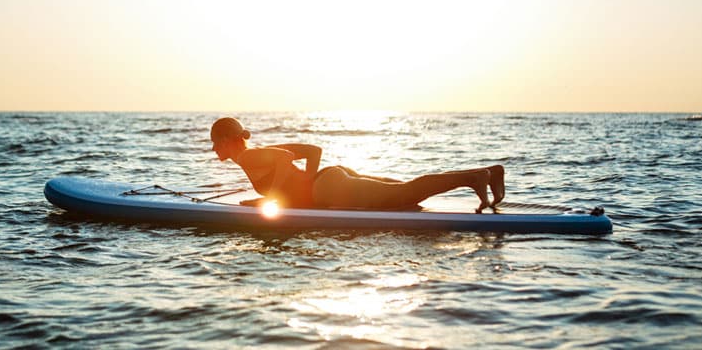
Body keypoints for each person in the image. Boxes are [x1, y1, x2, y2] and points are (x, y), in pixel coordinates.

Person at [210, 117, 505, 213]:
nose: (213, 149)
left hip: (330, 190)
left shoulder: (249, 156)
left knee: (406, 194)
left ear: (227, 140)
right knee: (404, 192)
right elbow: (313, 151)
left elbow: (286, 163)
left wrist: (298, 190)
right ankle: (484, 173)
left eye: (215, 142)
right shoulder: (259, 153)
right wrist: (268, 198)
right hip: (333, 179)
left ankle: (475, 178)